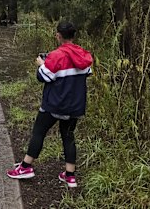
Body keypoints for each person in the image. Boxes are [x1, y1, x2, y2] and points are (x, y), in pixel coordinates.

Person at [6, 21, 93, 188]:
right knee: (68, 136)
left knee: (39, 132)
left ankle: (25, 167)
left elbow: (43, 77)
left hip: (54, 104)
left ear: (58, 36)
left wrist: (41, 65)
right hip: (75, 105)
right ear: (73, 36)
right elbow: (86, 72)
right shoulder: (83, 55)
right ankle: (70, 176)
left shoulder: (56, 55)